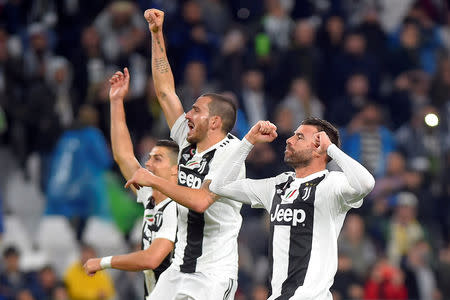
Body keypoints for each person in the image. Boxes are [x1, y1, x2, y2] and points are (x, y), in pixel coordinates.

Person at [124, 8, 245, 299]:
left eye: (196, 110)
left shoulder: (231, 155)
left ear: (215, 122)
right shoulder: (188, 141)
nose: (187, 114)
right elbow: (165, 92)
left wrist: (154, 180)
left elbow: (202, 201)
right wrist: (156, 34)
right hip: (180, 268)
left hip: (213, 274)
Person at [208, 118, 376, 299]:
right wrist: (249, 140)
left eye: (300, 137)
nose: (289, 140)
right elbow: (219, 186)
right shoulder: (278, 185)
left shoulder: (332, 184)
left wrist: (332, 149)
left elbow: (366, 184)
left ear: (319, 147)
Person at [82, 68, 178, 298]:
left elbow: (152, 257)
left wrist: (103, 262)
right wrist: (116, 101)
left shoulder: (178, 207)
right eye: (149, 157)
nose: (148, 163)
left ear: (175, 170)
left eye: (157, 158)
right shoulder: (151, 196)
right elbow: (124, 156)